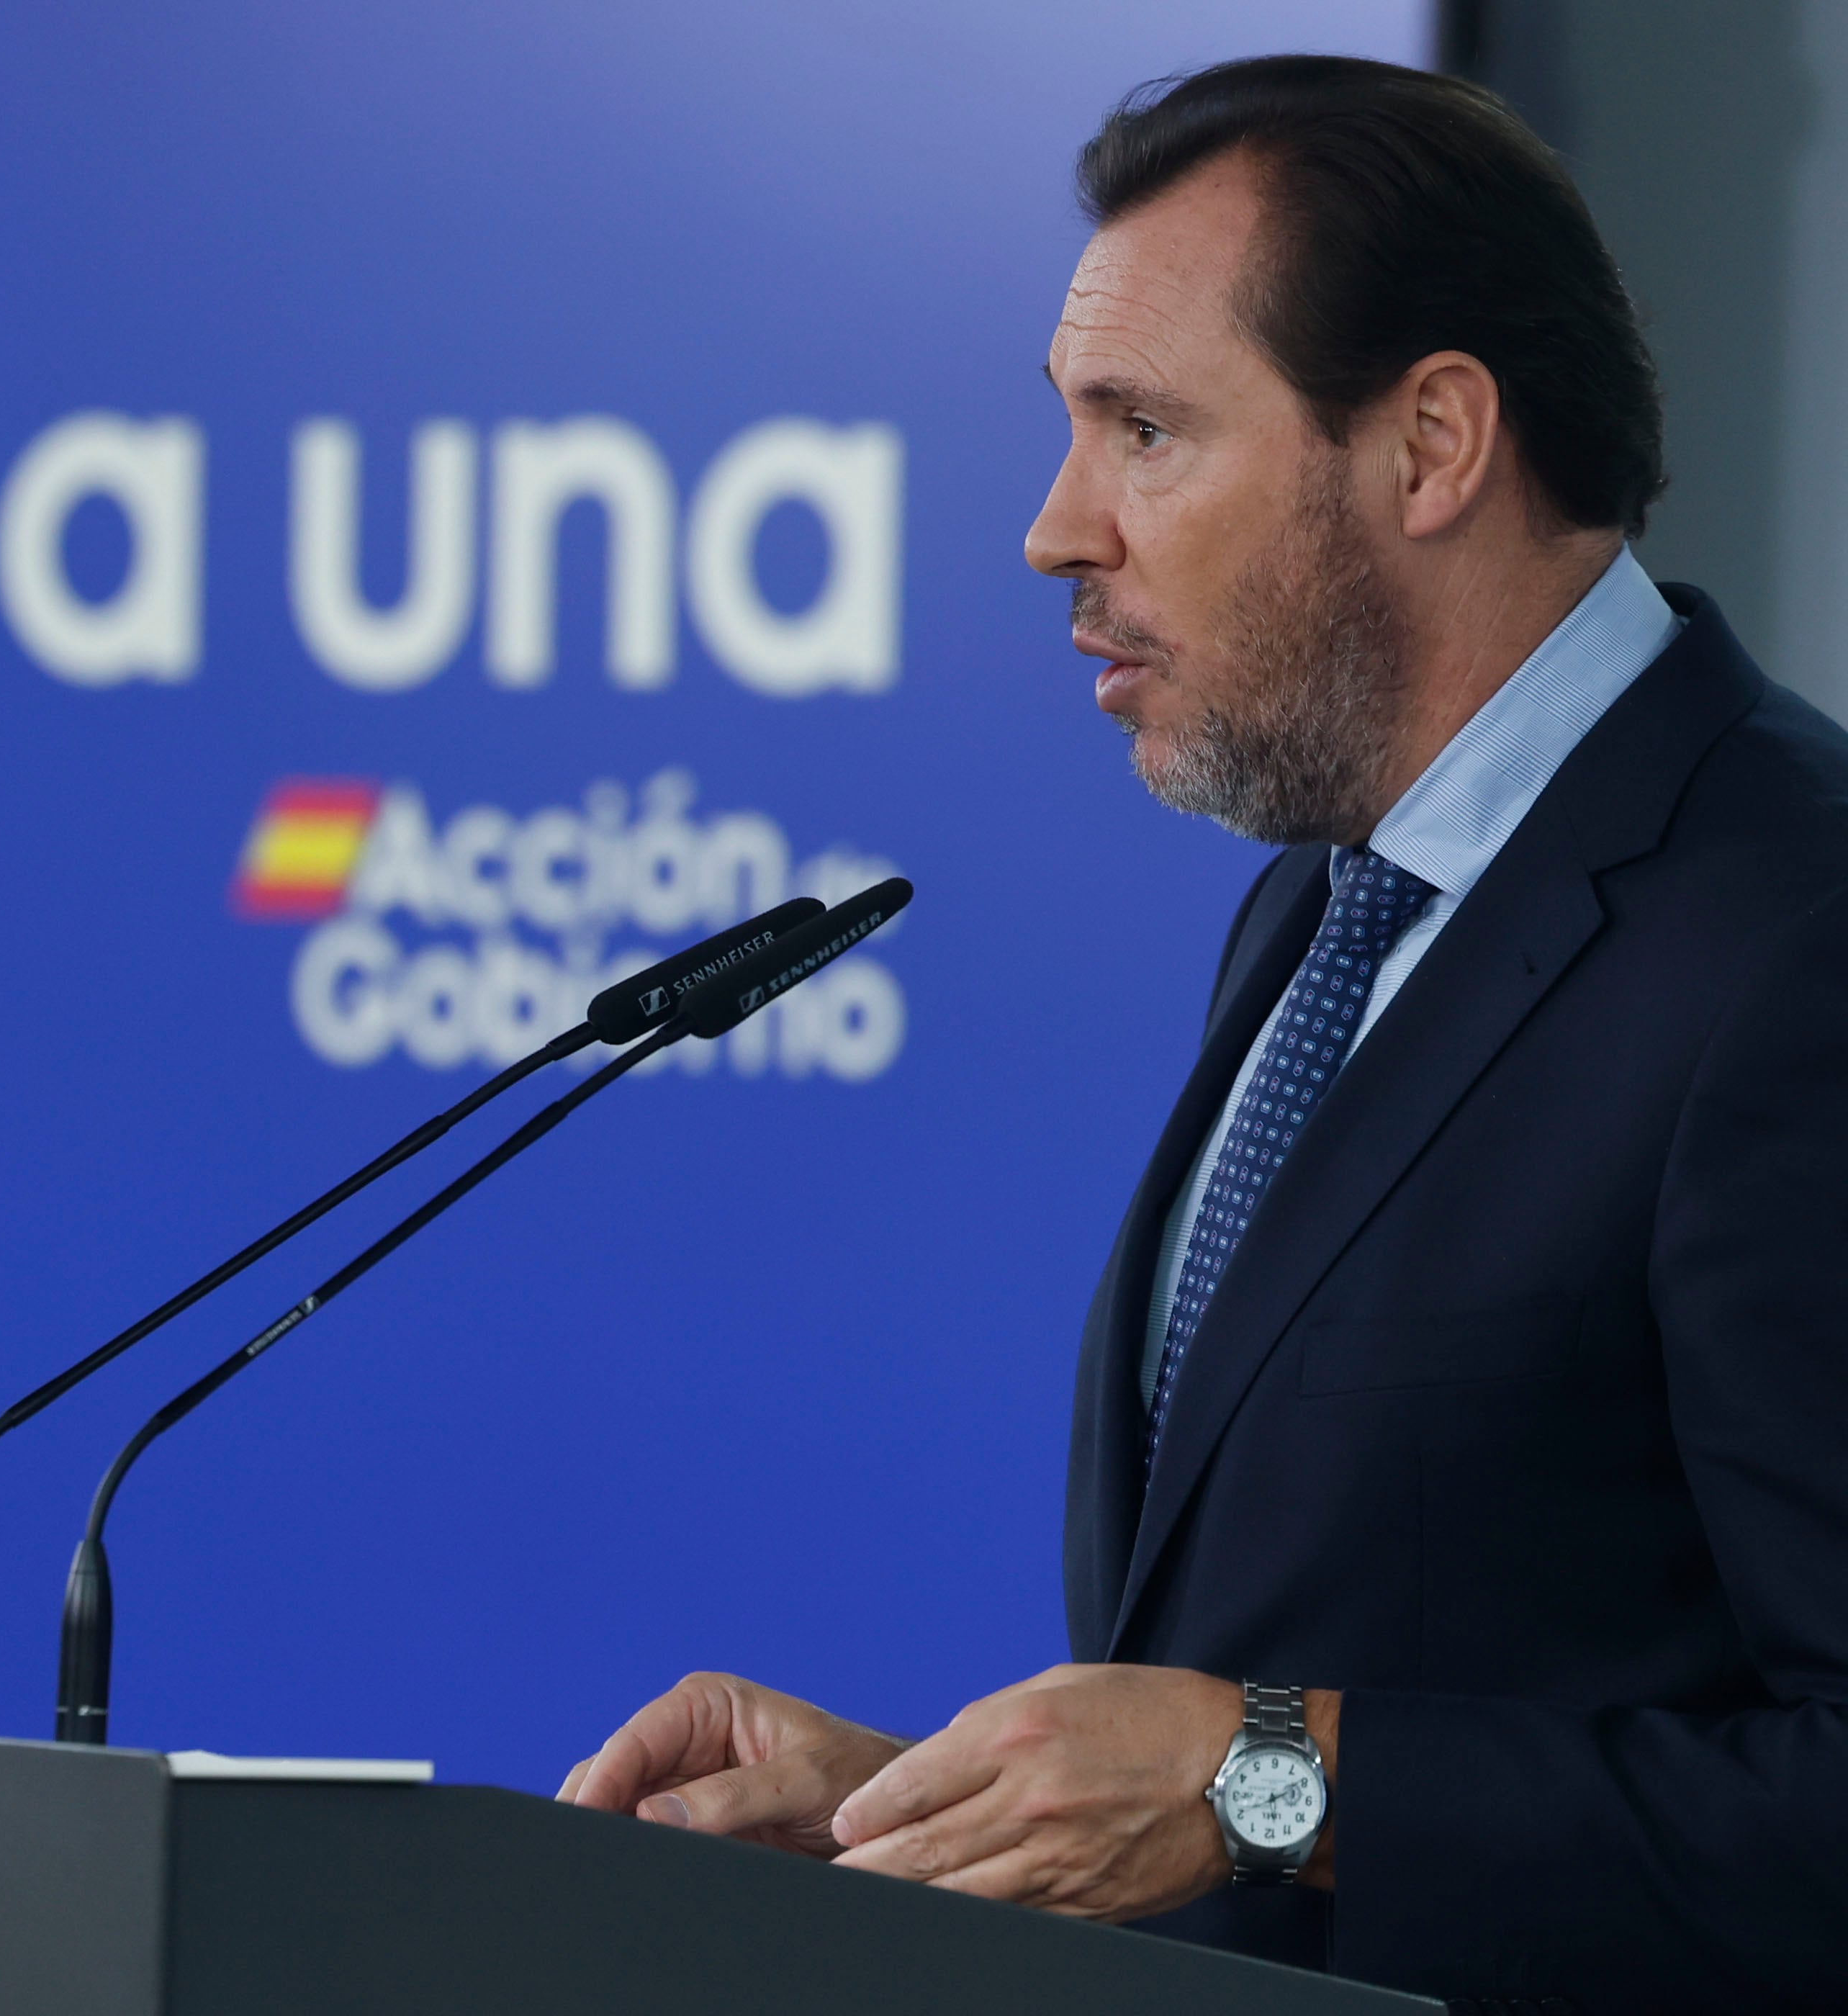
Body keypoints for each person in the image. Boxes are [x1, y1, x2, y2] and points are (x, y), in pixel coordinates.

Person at [559, 55, 1848, 2015]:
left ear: (1430, 446)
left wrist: (1263, 1782)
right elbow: (1331, 1713)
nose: (1056, 531)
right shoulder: (1322, 910)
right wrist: (932, 1813)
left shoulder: (1798, 932)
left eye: (1145, 432)